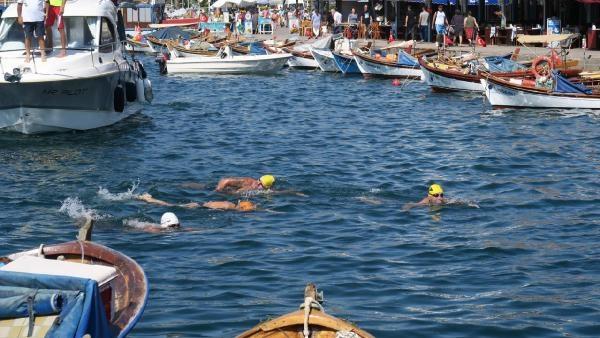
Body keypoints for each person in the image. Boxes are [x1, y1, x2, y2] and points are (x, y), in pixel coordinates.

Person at [136, 193, 256, 212]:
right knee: (170, 205)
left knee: (171, 205)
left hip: (202, 204)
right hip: (198, 206)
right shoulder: (228, 207)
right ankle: (149, 199)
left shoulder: (231, 204)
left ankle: (150, 199)